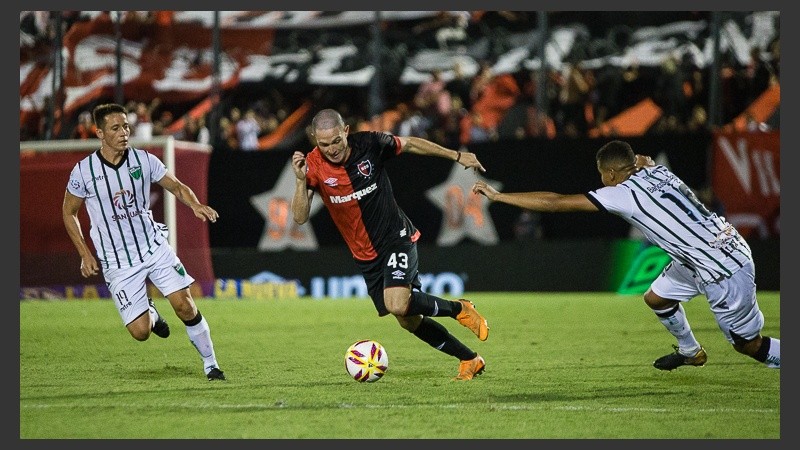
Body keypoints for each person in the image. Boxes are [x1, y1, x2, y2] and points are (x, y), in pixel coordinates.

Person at [471, 139, 780, 371]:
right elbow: (643, 161)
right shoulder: (657, 170)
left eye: (602, 174)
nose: (602, 180)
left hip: (720, 267)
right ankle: (690, 351)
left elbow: (554, 202)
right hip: (711, 250)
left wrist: (499, 196)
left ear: (612, 173)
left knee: (748, 345)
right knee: (657, 298)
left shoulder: (623, 192)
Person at [291, 109, 490, 381]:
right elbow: (300, 217)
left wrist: (455, 155)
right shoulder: (312, 166)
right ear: (315, 139)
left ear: (345, 131)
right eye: (324, 144)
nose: (332, 149)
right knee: (408, 319)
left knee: (397, 303)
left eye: (336, 141)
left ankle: (460, 309)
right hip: (365, 255)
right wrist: (301, 182)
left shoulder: (370, 144)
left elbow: (412, 143)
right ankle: (470, 359)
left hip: (395, 237)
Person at [62, 103, 226, 381]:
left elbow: (176, 186)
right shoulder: (84, 171)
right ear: (100, 133)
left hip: (153, 247)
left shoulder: (144, 160)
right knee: (140, 333)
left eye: (126, 126)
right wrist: (84, 254)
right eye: (116, 128)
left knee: (184, 305)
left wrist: (195, 205)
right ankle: (149, 311)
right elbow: (69, 212)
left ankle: (211, 364)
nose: (124, 132)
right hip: (117, 261)